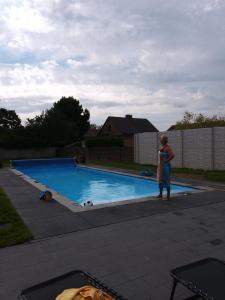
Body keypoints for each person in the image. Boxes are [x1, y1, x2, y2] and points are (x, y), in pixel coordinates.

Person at [156, 135, 174, 200]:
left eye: (161, 139)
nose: (160, 140)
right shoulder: (162, 147)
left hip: (165, 166)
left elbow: (172, 155)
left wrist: (167, 160)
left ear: (163, 140)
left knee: (166, 179)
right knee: (160, 180)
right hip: (160, 166)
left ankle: (168, 196)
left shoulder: (167, 148)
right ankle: (160, 194)